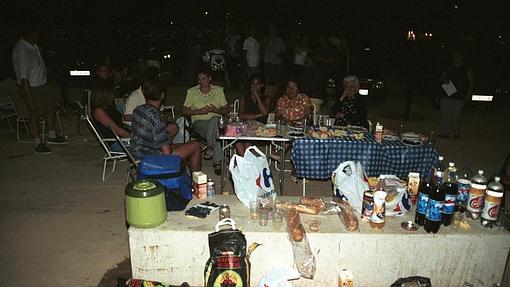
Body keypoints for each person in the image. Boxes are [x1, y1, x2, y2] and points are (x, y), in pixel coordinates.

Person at [12, 26, 67, 154]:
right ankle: (37, 143)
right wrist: (30, 98)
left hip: (43, 85)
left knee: (52, 107)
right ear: (31, 33)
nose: (39, 35)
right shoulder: (22, 50)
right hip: (31, 87)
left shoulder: (33, 46)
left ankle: (52, 136)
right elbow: (24, 78)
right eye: (37, 33)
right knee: (34, 113)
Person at [131, 77, 202, 172]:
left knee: (183, 144)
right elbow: (167, 152)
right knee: (195, 145)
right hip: (151, 160)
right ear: (162, 95)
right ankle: (195, 183)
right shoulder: (156, 117)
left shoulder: (138, 110)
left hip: (137, 156)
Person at [183, 68, 229, 175]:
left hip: (217, 122)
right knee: (215, 128)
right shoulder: (192, 91)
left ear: (209, 78)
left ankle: (210, 147)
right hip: (199, 122)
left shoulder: (218, 90)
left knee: (215, 121)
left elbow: (226, 109)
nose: (201, 82)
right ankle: (217, 160)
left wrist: (215, 110)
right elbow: (184, 110)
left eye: (203, 78)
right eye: (199, 79)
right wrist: (199, 111)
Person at [438, 50, 473, 139]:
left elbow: (471, 81)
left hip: (460, 94)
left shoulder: (466, 68)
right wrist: (444, 81)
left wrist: (469, 93)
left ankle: (455, 132)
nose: (455, 57)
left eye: (457, 56)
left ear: (462, 57)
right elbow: (442, 77)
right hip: (448, 90)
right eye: (454, 55)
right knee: (445, 113)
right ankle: (444, 132)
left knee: (455, 114)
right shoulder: (449, 66)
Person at [235, 73, 271, 156]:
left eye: (257, 84)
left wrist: (257, 96)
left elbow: (265, 112)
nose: (254, 87)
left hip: (260, 127)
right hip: (245, 125)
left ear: (261, 85)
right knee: (237, 139)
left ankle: (246, 163)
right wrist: (258, 115)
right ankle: (246, 162)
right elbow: (240, 115)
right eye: (253, 84)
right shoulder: (244, 98)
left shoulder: (266, 98)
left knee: (247, 139)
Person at [91, 83, 130, 152]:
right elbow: (117, 130)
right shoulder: (99, 111)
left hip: (121, 138)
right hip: (116, 142)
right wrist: (135, 138)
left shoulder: (109, 105)